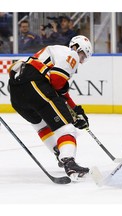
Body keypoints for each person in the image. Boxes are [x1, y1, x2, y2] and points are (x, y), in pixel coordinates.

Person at [8, 35, 92, 181]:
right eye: (83, 56)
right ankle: (68, 161)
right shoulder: (71, 54)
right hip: (34, 84)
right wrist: (72, 115)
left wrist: (75, 109)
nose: (81, 61)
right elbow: (58, 83)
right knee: (67, 128)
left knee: (41, 125)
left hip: (17, 94)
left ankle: (59, 152)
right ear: (78, 49)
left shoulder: (53, 52)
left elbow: (57, 86)